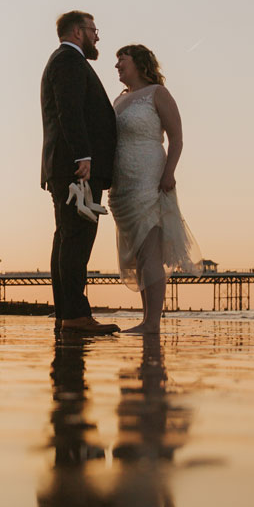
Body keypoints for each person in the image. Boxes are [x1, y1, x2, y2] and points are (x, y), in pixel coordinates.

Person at [107, 44, 201, 335]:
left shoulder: (158, 94)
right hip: (122, 185)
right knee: (137, 254)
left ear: (139, 62)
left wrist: (169, 172)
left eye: (122, 59)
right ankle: (147, 319)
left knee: (150, 251)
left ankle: (152, 323)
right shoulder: (119, 101)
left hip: (150, 178)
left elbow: (177, 138)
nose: (117, 65)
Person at [39, 11, 120, 335]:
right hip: (76, 168)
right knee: (76, 240)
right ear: (77, 32)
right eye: (93, 29)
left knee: (67, 238)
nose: (97, 36)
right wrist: (83, 156)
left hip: (68, 165)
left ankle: (68, 313)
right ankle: (74, 315)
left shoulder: (64, 61)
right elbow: (68, 109)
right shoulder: (68, 61)